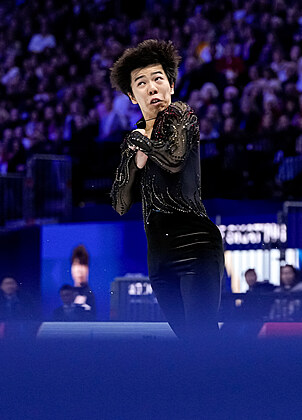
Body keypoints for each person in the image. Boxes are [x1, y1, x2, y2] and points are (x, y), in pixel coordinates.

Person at [110, 40, 224, 340]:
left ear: (171, 85)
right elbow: (120, 203)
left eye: (158, 79)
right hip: (158, 255)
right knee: (187, 342)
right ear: (131, 95)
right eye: (141, 83)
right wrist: (133, 162)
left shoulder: (182, 116)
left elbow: (174, 161)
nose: (152, 88)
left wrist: (143, 144)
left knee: (202, 338)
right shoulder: (134, 139)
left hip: (195, 243)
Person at [70, 245, 96, 319]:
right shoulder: (67, 293)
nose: (79, 270)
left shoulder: (89, 295)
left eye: (83, 265)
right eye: (76, 264)